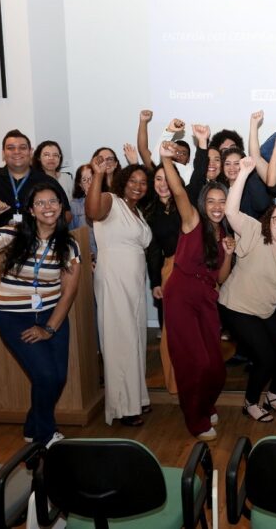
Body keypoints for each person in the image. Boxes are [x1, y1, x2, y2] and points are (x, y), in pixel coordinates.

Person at [0, 184, 80, 446]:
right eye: (41, 203)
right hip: (13, 317)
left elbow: (68, 292)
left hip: (50, 316)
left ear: (60, 205)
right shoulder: (13, 234)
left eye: (53, 201)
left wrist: (49, 328)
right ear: (31, 211)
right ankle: (44, 436)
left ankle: (33, 426)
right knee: (45, 376)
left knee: (57, 378)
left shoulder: (69, 244)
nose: (48, 207)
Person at [218, 157, 276, 422]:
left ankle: (274, 395)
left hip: (264, 312)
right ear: (269, 221)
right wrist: (243, 173)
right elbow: (231, 212)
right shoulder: (255, 231)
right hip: (236, 307)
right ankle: (250, 402)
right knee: (265, 357)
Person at [160, 142, 234, 441]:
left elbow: (222, 277)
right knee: (195, 362)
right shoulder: (192, 220)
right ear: (204, 203)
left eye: (222, 201)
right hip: (180, 295)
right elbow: (178, 190)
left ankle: (204, 403)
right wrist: (166, 160)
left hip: (206, 298)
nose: (217, 206)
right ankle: (195, 418)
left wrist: (229, 253)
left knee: (216, 365)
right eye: (212, 201)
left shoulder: (224, 233)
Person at [86, 159, 153, 427]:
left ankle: (136, 398)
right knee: (118, 340)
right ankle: (122, 407)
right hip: (114, 277)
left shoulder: (136, 210)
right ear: (122, 182)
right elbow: (92, 211)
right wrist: (98, 175)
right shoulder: (110, 200)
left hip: (134, 283)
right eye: (133, 181)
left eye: (143, 183)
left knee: (135, 338)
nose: (138, 186)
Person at [144, 161, 182, 395]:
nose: (162, 183)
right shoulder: (150, 211)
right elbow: (153, 249)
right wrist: (155, 282)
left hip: (193, 270)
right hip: (168, 271)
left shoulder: (185, 202)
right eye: (157, 178)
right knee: (170, 330)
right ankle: (174, 382)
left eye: (166, 177)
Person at [68, 164, 96, 258]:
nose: (89, 183)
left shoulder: (110, 200)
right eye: (84, 180)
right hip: (87, 259)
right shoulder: (74, 206)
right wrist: (83, 260)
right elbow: (72, 238)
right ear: (80, 185)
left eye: (92, 178)